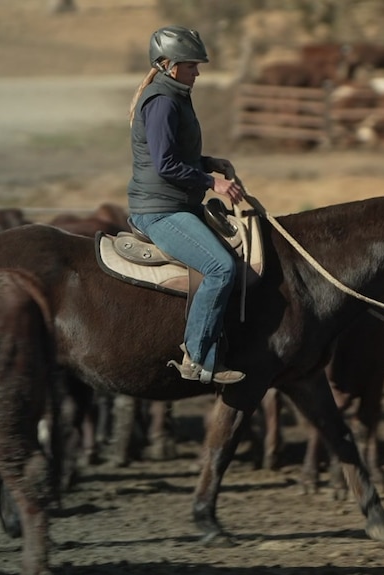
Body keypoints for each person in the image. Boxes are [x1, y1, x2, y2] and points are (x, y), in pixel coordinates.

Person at [127, 25, 246, 385]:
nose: (198, 72)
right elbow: (164, 164)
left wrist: (209, 162)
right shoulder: (162, 100)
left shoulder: (175, 94)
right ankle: (197, 357)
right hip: (160, 210)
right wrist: (214, 183)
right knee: (221, 268)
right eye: (192, 65)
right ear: (168, 65)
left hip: (177, 203)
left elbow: (176, 153)